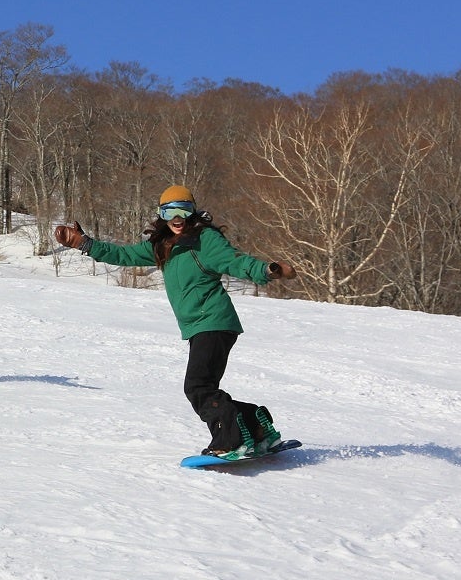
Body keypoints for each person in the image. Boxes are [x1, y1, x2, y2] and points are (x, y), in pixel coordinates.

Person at [53, 185, 297, 461]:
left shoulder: (205, 240)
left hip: (214, 321)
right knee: (203, 387)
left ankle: (230, 442)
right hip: (199, 327)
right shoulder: (162, 245)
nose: (177, 217)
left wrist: (268, 270)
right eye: (169, 211)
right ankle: (257, 426)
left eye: (183, 210)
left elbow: (236, 262)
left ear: (193, 212)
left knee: (198, 387)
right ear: (161, 215)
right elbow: (124, 255)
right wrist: (84, 243)